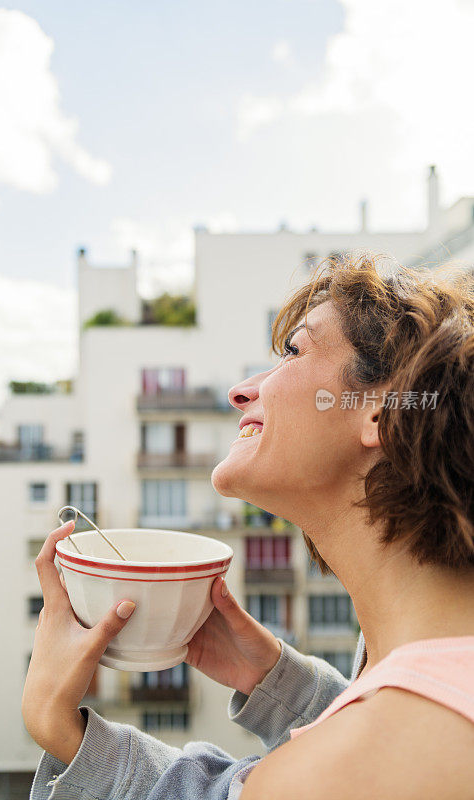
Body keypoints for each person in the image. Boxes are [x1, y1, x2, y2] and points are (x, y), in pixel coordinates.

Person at [23, 252, 474, 799]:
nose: (241, 391)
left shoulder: (345, 769)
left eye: (292, 352)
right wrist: (279, 683)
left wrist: (61, 726)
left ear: (381, 412)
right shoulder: (427, 682)